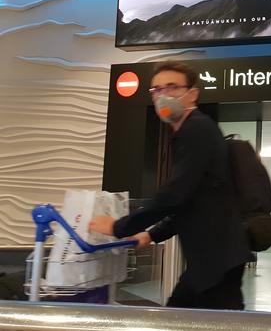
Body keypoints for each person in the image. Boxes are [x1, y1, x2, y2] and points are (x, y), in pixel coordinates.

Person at [89, 61, 252, 310]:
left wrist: (119, 226)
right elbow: (191, 200)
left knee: (197, 319)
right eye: (156, 90)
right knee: (181, 314)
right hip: (212, 258)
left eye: (172, 87)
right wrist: (151, 234)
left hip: (216, 257)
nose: (163, 95)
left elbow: (175, 194)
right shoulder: (192, 130)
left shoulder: (196, 129)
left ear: (192, 94)